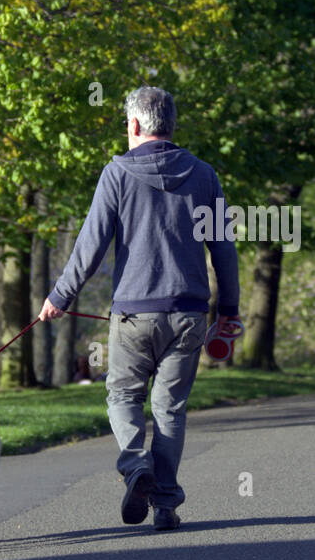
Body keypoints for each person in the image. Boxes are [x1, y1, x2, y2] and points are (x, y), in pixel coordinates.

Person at [38, 87, 239, 531]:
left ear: (133, 125)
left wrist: (59, 297)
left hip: (132, 315)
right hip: (189, 314)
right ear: (170, 124)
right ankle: (165, 505)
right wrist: (230, 309)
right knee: (169, 409)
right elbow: (224, 247)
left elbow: (89, 246)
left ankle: (135, 466)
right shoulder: (204, 175)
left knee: (123, 396)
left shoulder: (116, 174)